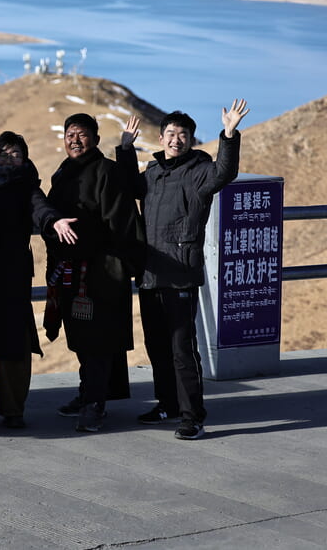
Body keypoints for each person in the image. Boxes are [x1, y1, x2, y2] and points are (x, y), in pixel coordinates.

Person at [117, 101, 248, 441]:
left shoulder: (199, 170)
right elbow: (131, 187)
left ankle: (193, 416)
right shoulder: (154, 172)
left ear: (191, 140)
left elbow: (225, 173)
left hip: (180, 274)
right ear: (161, 138)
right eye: (171, 134)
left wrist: (229, 134)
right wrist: (125, 148)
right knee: (157, 346)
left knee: (182, 350)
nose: (177, 140)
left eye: (183, 135)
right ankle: (168, 404)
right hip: (150, 274)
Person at [44, 113, 143, 433]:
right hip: (71, 268)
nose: (74, 140)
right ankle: (89, 393)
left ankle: (94, 403)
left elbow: (122, 222)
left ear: (96, 140)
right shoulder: (63, 173)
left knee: (98, 339)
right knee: (80, 337)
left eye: (82, 134)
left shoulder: (107, 172)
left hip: (103, 270)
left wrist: (120, 266)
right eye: (69, 134)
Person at [0, 132, 76, 429]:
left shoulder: (28, 187)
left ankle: (13, 409)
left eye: (16, 153)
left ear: (25, 158)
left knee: (13, 345)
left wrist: (54, 221)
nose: (9, 158)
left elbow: (40, 209)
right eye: (3, 153)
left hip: (12, 277)